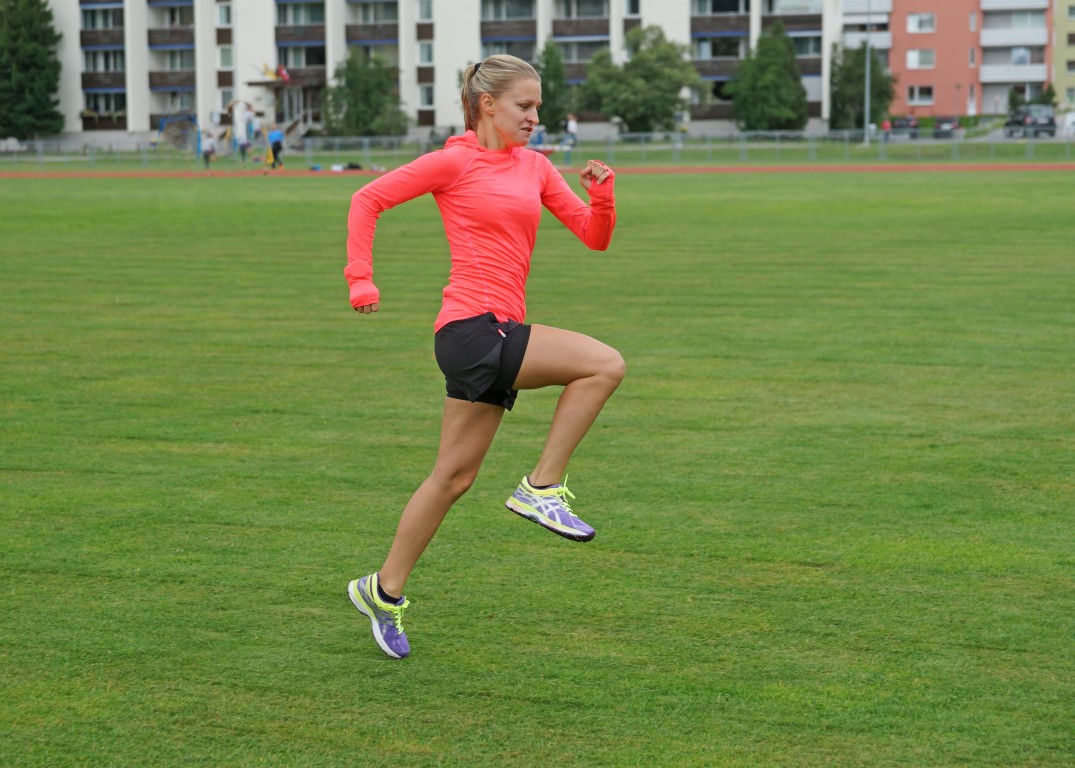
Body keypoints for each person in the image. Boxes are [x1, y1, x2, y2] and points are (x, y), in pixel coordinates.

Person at [343, 54, 623, 659]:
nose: (535, 117)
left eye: (539, 107)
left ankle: (382, 590)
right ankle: (541, 487)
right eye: (525, 105)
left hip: (496, 331)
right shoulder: (453, 161)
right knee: (603, 364)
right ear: (488, 105)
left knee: (453, 477)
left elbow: (593, 236)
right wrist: (360, 278)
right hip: (472, 329)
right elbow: (367, 199)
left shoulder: (536, 167)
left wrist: (600, 198)